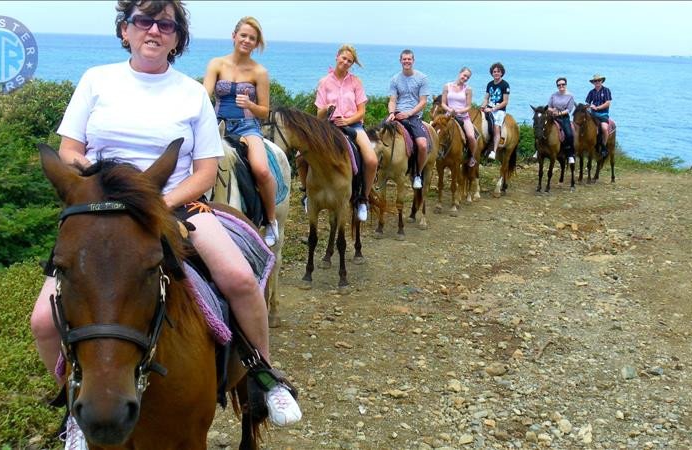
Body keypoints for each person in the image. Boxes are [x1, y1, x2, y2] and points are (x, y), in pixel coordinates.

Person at [29, 3, 301, 440]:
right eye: (143, 20)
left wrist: (157, 205)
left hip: (174, 205)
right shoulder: (96, 80)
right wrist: (84, 170)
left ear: (177, 38)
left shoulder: (190, 93)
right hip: (103, 211)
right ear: (125, 31)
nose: (154, 29)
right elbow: (68, 150)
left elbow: (206, 171)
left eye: (166, 24)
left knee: (239, 278)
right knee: (43, 321)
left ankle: (263, 375)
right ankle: (75, 406)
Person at [202, 16, 279, 247]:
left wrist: (251, 106)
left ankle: (271, 220)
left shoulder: (260, 72)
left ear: (256, 44)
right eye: (243, 35)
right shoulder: (216, 64)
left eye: (252, 38)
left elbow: (265, 112)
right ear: (234, 36)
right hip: (217, 125)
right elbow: (205, 94)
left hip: (246, 127)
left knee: (262, 170)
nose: (247, 40)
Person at [314, 44, 376, 221]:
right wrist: (327, 108)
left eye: (350, 61)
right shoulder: (324, 82)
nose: (346, 62)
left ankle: (363, 199)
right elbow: (319, 113)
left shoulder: (356, 82)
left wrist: (348, 121)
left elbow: (361, 111)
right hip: (329, 126)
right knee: (301, 157)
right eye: (344, 58)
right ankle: (307, 193)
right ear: (337, 57)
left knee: (371, 160)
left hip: (354, 125)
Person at [387, 49, 430, 190]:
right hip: (398, 114)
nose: (406, 61)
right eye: (404, 59)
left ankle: (417, 173)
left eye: (409, 59)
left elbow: (423, 101)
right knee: (377, 138)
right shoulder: (394, 79)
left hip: (413, 115)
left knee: (422, 145)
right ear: (400, 61)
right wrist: (391, 113)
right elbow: (392, 100)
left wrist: (409, 113)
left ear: (413, 60)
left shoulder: (422, 78)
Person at [440, 67, 478, 167]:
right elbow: (443, 103)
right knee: (436, 130)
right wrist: (449, 110)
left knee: (471, 136)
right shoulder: (447, 86)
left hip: (463, 117)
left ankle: (472, 157)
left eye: (468, 77)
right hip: (448, 116)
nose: (465, 78)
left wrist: (459, 111)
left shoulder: (468, 89)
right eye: (464, 75)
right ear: (460, 73)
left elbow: (469, 106)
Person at [479, 62, 510, 161]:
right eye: (494, 72)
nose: (496, 73)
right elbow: (486, 98)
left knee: (496, 128)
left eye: (498, 71)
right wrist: (483, 106)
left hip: (499, 110)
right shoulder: (490, 84)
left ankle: (494, 151)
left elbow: (505, 102)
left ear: (501, 73)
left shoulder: (505, 85)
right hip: (489, 107)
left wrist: (493, 109)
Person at [547, 77, 576, 164]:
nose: (561, 86)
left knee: (569, 134)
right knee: (541, 128)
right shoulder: (553, 95)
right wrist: (552, 111)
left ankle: (570, 154)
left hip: (564, 117)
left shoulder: (570, 96)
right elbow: (548, 106)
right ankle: (538, 150)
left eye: (563, 84)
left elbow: (569, 110)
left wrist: (559, 113)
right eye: (559, 85)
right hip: (553, 116)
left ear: (566, 85)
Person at [586, 73, 612, 158]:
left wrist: (597, 108)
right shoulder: (591, 92)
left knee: (604, 128)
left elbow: (608, 103)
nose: (597, 82)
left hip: (603, 114)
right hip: (593, 114)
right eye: (595, 81)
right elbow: (587, 103)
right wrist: (590, 106)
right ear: (593, 82)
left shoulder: (606, 90)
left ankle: (604, 147)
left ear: (602, 81)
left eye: (599, 80)